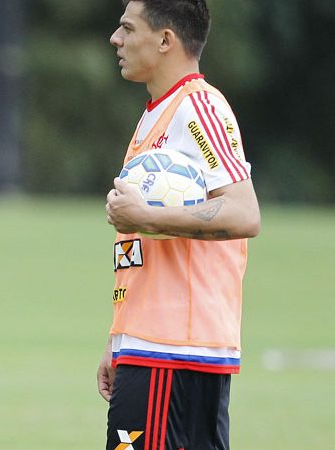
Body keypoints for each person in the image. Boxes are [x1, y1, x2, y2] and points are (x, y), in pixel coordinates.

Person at [98, 1, 260, 449]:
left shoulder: (199, 107)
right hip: (149, 344)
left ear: (166, 39)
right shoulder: (157, 114)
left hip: (176, 350)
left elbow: (244, 212)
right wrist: (118, 335)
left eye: (128, 28)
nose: (116, 38)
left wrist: (147, 216)